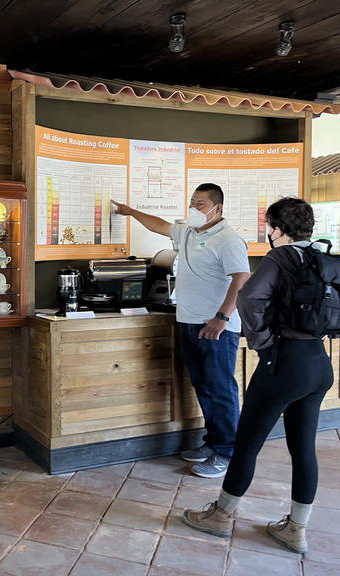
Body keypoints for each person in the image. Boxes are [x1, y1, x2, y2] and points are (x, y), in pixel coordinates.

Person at [182, 197, 340, 553]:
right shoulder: (331, 259)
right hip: (319, 365)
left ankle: (221, 516)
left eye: (270, 226)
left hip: (282, 363)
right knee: (304, 450)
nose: (269, 232)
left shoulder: (281, 257)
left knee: (247, 445)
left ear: (277, 228)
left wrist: (263, 340)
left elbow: (249, 296)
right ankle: (296, 529)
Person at [112, 183, 250, 477]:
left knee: (221, 389)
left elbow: (242, 280)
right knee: (204, 386)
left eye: (200, 204)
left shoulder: (229, 239)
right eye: (192, 202)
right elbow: (159, 225)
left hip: (217, 327)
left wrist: (222, 318)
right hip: (189, 321)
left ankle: (227, 452)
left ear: (218, 209)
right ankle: (213, 443)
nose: (194, 209)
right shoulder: (187, 231)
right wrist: (128, 211)